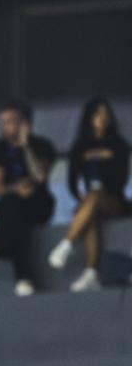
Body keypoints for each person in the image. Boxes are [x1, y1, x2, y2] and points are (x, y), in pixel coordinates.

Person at [48, 96, 130, 292]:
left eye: (105, 115)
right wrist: (81, 198)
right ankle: (90, 272)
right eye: (97, 115)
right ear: (90, 118)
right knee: (88, 216)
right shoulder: (80, 146)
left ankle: (67, 243)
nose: (102, 119)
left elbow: (121, 179)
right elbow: (72, 179)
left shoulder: (118, 144)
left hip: (112, 199)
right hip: (88, 201)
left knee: (93, 198)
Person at [0, 103, 56, 296]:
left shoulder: (43, 146)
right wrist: (17, 189)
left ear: (24, 122)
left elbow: (40, 176)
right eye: (2, 122)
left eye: (11, 121)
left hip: (38, 203)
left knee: (14, 213)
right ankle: (24, 279)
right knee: (14, 212)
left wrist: (26, 146)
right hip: (11, 204)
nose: (5, 126)